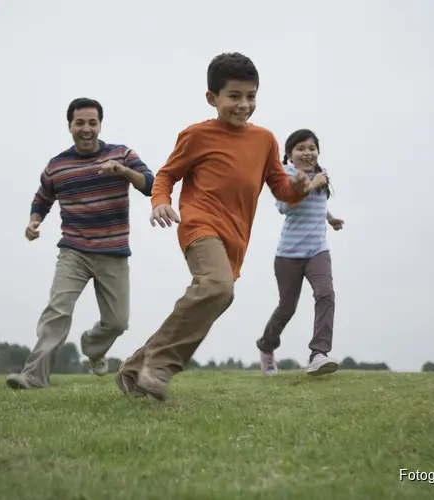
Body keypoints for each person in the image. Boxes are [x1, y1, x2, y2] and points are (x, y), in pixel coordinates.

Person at [114, 53, 328, 401]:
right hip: (199, 224)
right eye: (234, 96)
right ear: (212, 98)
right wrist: (160, 201)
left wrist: (300, 189)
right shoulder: (197, 135)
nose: (244, 105)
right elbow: (167, 175)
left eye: (251, 96)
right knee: (217, 286)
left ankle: (136, 366)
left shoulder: (265, 141)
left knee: (218, 295)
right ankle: (160, 367)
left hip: (235, 237)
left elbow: (282, 190)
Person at [6, 97, 155, 390]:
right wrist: (34, 220)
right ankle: (34, 376)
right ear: (70, 126)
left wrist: (123, 172)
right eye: (80, 123)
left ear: (100, 125)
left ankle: (93, 346)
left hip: (113, 251)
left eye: (92, 122)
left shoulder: (122, 154)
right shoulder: (57, 166)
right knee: (57, 311)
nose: (86, 129)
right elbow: (43, 197)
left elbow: (150, 184)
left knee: (117, 322)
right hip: (74, 251)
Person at [255, 129, 345, 377]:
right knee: (287, 307)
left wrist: (330, 218)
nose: (307, 153)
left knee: (325, 294)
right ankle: (267, 346)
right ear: (289, 154)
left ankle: (318, 354)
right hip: (289, 254)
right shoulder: (286, 175)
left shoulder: (321, 176)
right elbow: (284, 206)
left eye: (312, 148)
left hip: (317, 251)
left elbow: (318, 205)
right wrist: (311, 184)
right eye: (301, 148)